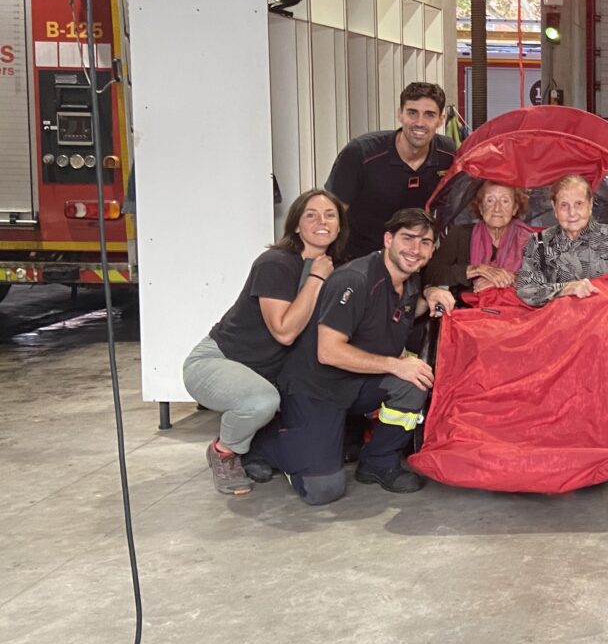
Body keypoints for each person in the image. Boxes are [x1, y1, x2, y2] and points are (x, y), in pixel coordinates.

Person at [255, 208, 455, 505]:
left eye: (425, 242)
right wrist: (395, 364)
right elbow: (328, 351)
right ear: (388, 239)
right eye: (408, 238)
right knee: (323, 490)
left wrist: (432, 294)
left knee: (416, 381)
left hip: (359, 383)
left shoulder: (410, 280)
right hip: (317, 389)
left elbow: (402, 311)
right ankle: (263, 442)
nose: (415, 249)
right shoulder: (355, 279)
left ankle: (378, 461)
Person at [184, 189, 347, 495]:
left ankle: (256, 449)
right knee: (261, 401)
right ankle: (224, 451)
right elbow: (284, 331)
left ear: (339, 226)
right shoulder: (275, 263)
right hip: (218, 362)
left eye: (329, 215)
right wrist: (316, 278)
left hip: (268, 373)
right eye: (310, 214)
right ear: (296, 225)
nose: (321, 221)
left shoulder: (334, 267)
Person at [324, 81, 457, 262]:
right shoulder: (361, 153)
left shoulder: (448, 154)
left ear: (441, 120)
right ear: (399, 114)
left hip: (412, 259)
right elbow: (330, 213)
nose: (419, 123)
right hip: (358, 258)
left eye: (429, 115)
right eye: (412, 113)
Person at [515, 174, 608, 307]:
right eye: (564, 205)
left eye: (579, 204)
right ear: (555, 209)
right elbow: (525, 290)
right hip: (555, 322)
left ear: (590, 205)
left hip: (601, 319)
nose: (572, 213)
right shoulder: (538, 242)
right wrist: (566, 289)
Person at [422, 181, 533, 302]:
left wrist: (510, 279)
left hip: (517, 314)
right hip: (468, 312)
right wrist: (476, 270)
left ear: (515, 209)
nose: (497, 208)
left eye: (505, 201)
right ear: (480, 207)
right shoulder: (460, 234)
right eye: (490, 200)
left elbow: (546, 282)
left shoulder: (531, 239)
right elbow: (431, 273)